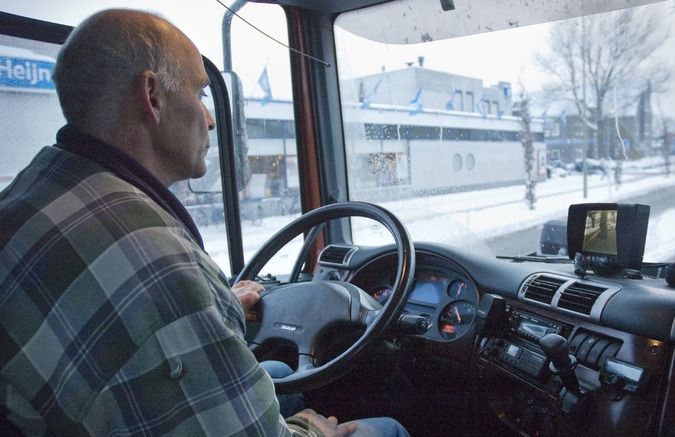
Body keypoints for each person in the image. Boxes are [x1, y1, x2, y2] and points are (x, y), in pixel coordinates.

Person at [0, 9, 408, 437]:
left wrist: (218, 303)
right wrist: (311, 429)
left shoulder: (33, 195)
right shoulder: (159, 267)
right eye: (200, 93)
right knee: (388, 428)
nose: (211, 118)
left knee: (271, 368)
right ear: (153, 96)